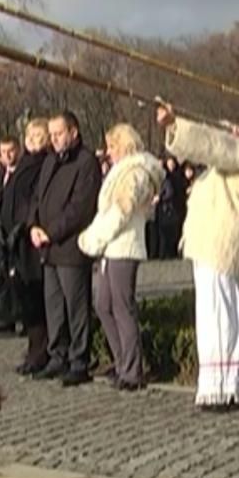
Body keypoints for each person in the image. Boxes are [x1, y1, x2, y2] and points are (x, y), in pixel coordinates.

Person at [157, 105, 239, 409]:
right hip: (208, 240)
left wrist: (177, 125)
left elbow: (217, 148)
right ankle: (221, 382)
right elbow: (216, 152)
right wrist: (176, 128)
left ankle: (226, 384)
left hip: (222, 240)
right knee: (212, 313)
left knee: (220, 313)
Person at [79, 123, 164, 391]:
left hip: (124, 246)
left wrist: (93, 238)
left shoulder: (136, 172)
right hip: (111, 247)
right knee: (103, 304)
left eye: (113, 146)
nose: (108, 152)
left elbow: (121, 211)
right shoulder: (121, 171)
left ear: (124, 145)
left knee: (122, 307)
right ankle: (121, 361)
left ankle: (132, 369)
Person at [28, 111, 102, 386]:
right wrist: (33, 225)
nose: (55, 139)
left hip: (70, 247)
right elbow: (37, 197)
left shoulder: (86, 163)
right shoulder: (49, 161)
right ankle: (57, 355)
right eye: (52, 134)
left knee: (76, 307)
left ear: (74, 132)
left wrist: (52, 231)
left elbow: (80, 207)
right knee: (54, 306)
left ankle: (79, 359)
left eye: (59, 133)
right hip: (47, 248)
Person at [0, 121, 51, 372]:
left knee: (36, 298)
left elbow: (34, 199)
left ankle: (41, 351)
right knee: (25, 297)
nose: (33, 139)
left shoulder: (43, 163)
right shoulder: (25, 164)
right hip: (15, 242)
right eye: (30, 135)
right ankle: (33, 348)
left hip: (30, 239)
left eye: (38, 135)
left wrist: (23, 224)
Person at [0, 135, 23, 333]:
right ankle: (4, 314)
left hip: (17, 233)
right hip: (0, 232)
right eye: (3, 152)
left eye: (11, 151)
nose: (8, 156)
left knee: (18, 276)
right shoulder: (0, 175)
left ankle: (20, 315)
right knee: (2, 277)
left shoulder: (23, 173)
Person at [153, 156, 187, 260]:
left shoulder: (167, 179)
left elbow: (170, 192)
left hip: (169, 209)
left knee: (168, 232)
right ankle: (163, 253)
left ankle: (168, 253)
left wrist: (160, 198)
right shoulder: (158, 179)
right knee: (163, 233)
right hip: (162, 209)